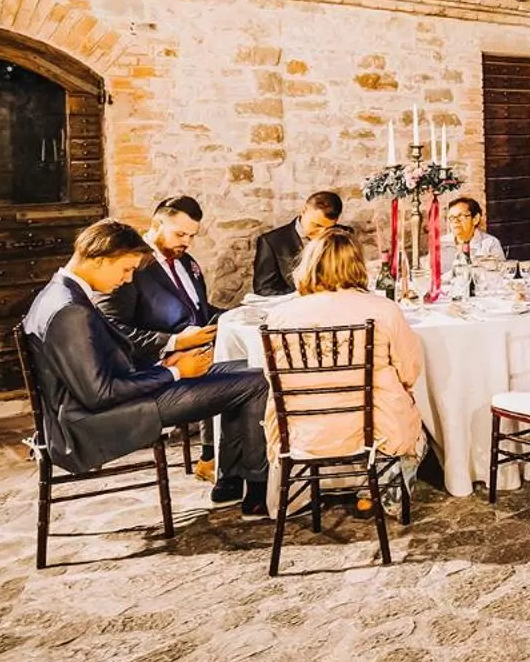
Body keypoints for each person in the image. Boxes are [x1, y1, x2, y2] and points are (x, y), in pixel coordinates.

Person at [20, 219, 270, 516]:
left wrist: (165, 361)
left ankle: (231, 480)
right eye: (126, 269)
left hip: (123, 393)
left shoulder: (60, 293)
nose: (128, 280)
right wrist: (174, 372)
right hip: (95, 420)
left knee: (247, 370)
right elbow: (100, 394)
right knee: (259, 382)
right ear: (100, 260)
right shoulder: (69, 310)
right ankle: (257, 490)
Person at [262, 226, 426, 511]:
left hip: (302, 430)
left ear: (310, 264)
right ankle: (380, 493)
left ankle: (310, 493)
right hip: (373, 428)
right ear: (357, 264)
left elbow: (271, 377)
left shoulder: (279, 316)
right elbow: (409, 369)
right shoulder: (383, 309)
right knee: (413, 421)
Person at [101, 196, 222, 363]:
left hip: (206, 356)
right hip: (161, 366)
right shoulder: (128, 265)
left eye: (191, 236)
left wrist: (236, 315)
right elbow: (110, 328)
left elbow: (197, 309)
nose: (187, 243)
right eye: (180, 234)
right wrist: (174, 342)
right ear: (157, 225)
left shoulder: (186, 260)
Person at [252, 191, 342, 297]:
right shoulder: (271, 242)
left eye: (329, 227)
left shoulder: (344, 235)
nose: (322, 232)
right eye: (317, 225)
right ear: (303, 211)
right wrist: (304, 294)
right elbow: (263, 289)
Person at [441, 195, 506, 264]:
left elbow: (500, 269)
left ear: (475, 219)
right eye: (451, 217)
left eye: (461, 216)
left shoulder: (490, 243)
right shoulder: (441, 243)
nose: (455, 221)